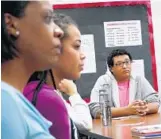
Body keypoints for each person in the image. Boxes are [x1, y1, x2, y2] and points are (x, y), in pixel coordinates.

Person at [23, 13, 92, 138]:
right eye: (76, 46)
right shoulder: (47, 99)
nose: (83, 55)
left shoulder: (34, 91)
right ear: (54, 48)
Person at [1, 1, 64, 139]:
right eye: (47, 18)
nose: (59, 31)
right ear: (11, 24)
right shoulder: (4, 101)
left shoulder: (12, 99)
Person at [89, 49, 160, 119]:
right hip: (113, 127)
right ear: (111, 68)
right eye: (119, 64)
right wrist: (127, 111)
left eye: (127, 62)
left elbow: (155, 102)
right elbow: (96, 111)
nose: (125, 66)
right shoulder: (104, 81)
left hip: (136, 124)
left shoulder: (138, 79)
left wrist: (142, 108)